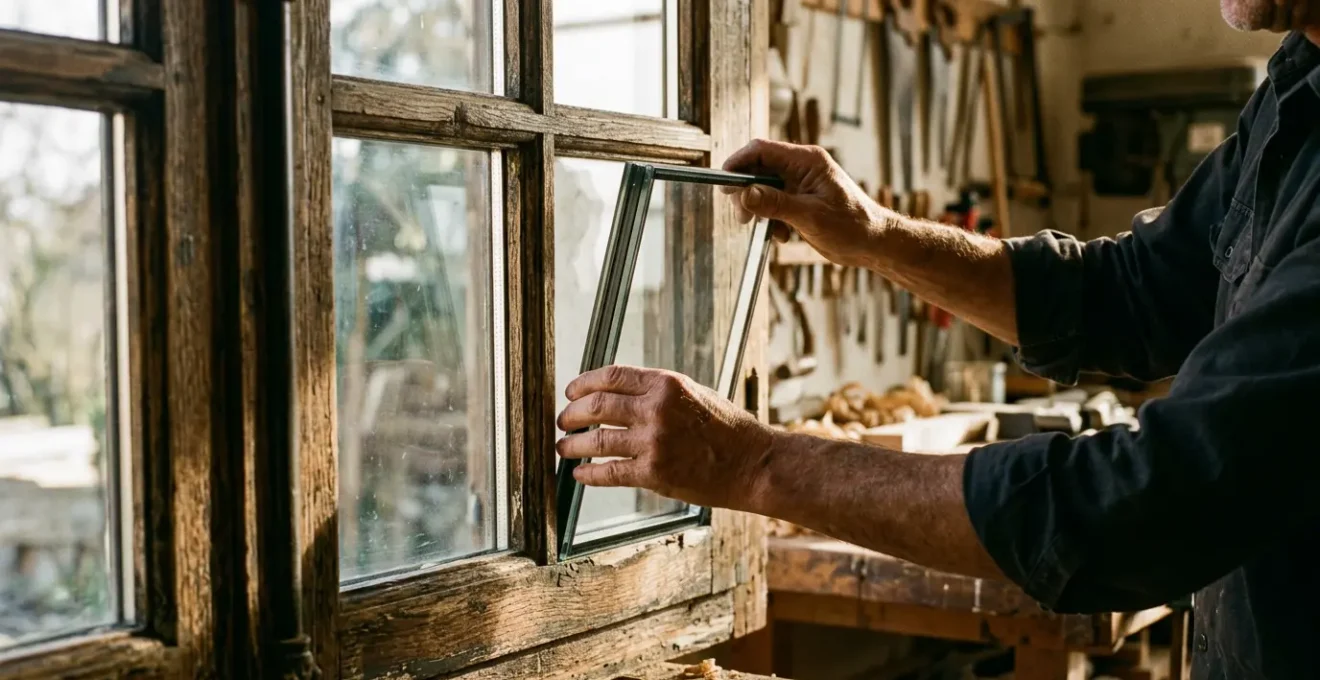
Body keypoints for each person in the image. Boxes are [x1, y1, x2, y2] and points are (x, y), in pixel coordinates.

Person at [557, 5, 1320, 679]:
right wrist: (878, 236)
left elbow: (1152, 503)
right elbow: (1128, 295)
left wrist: (753, 463)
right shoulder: (1299, 88)